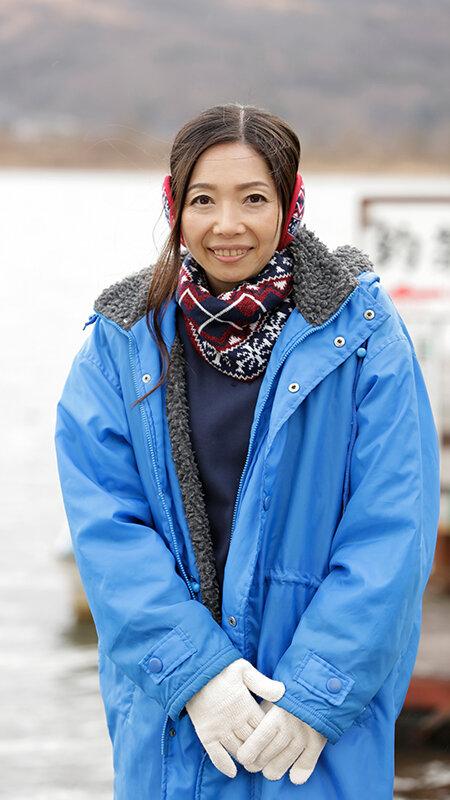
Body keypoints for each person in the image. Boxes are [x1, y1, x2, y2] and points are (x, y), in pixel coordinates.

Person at [54, 103, 440, 800]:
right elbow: (107, 529)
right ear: (175, 208)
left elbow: (393, 528)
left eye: (254, 198)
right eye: (203, 200)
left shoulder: (361, 335)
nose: (227, 224)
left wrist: (318, 694)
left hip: (317, 731)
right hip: (177, 728)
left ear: (290, 206)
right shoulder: (121, 342)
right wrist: (195, 674)